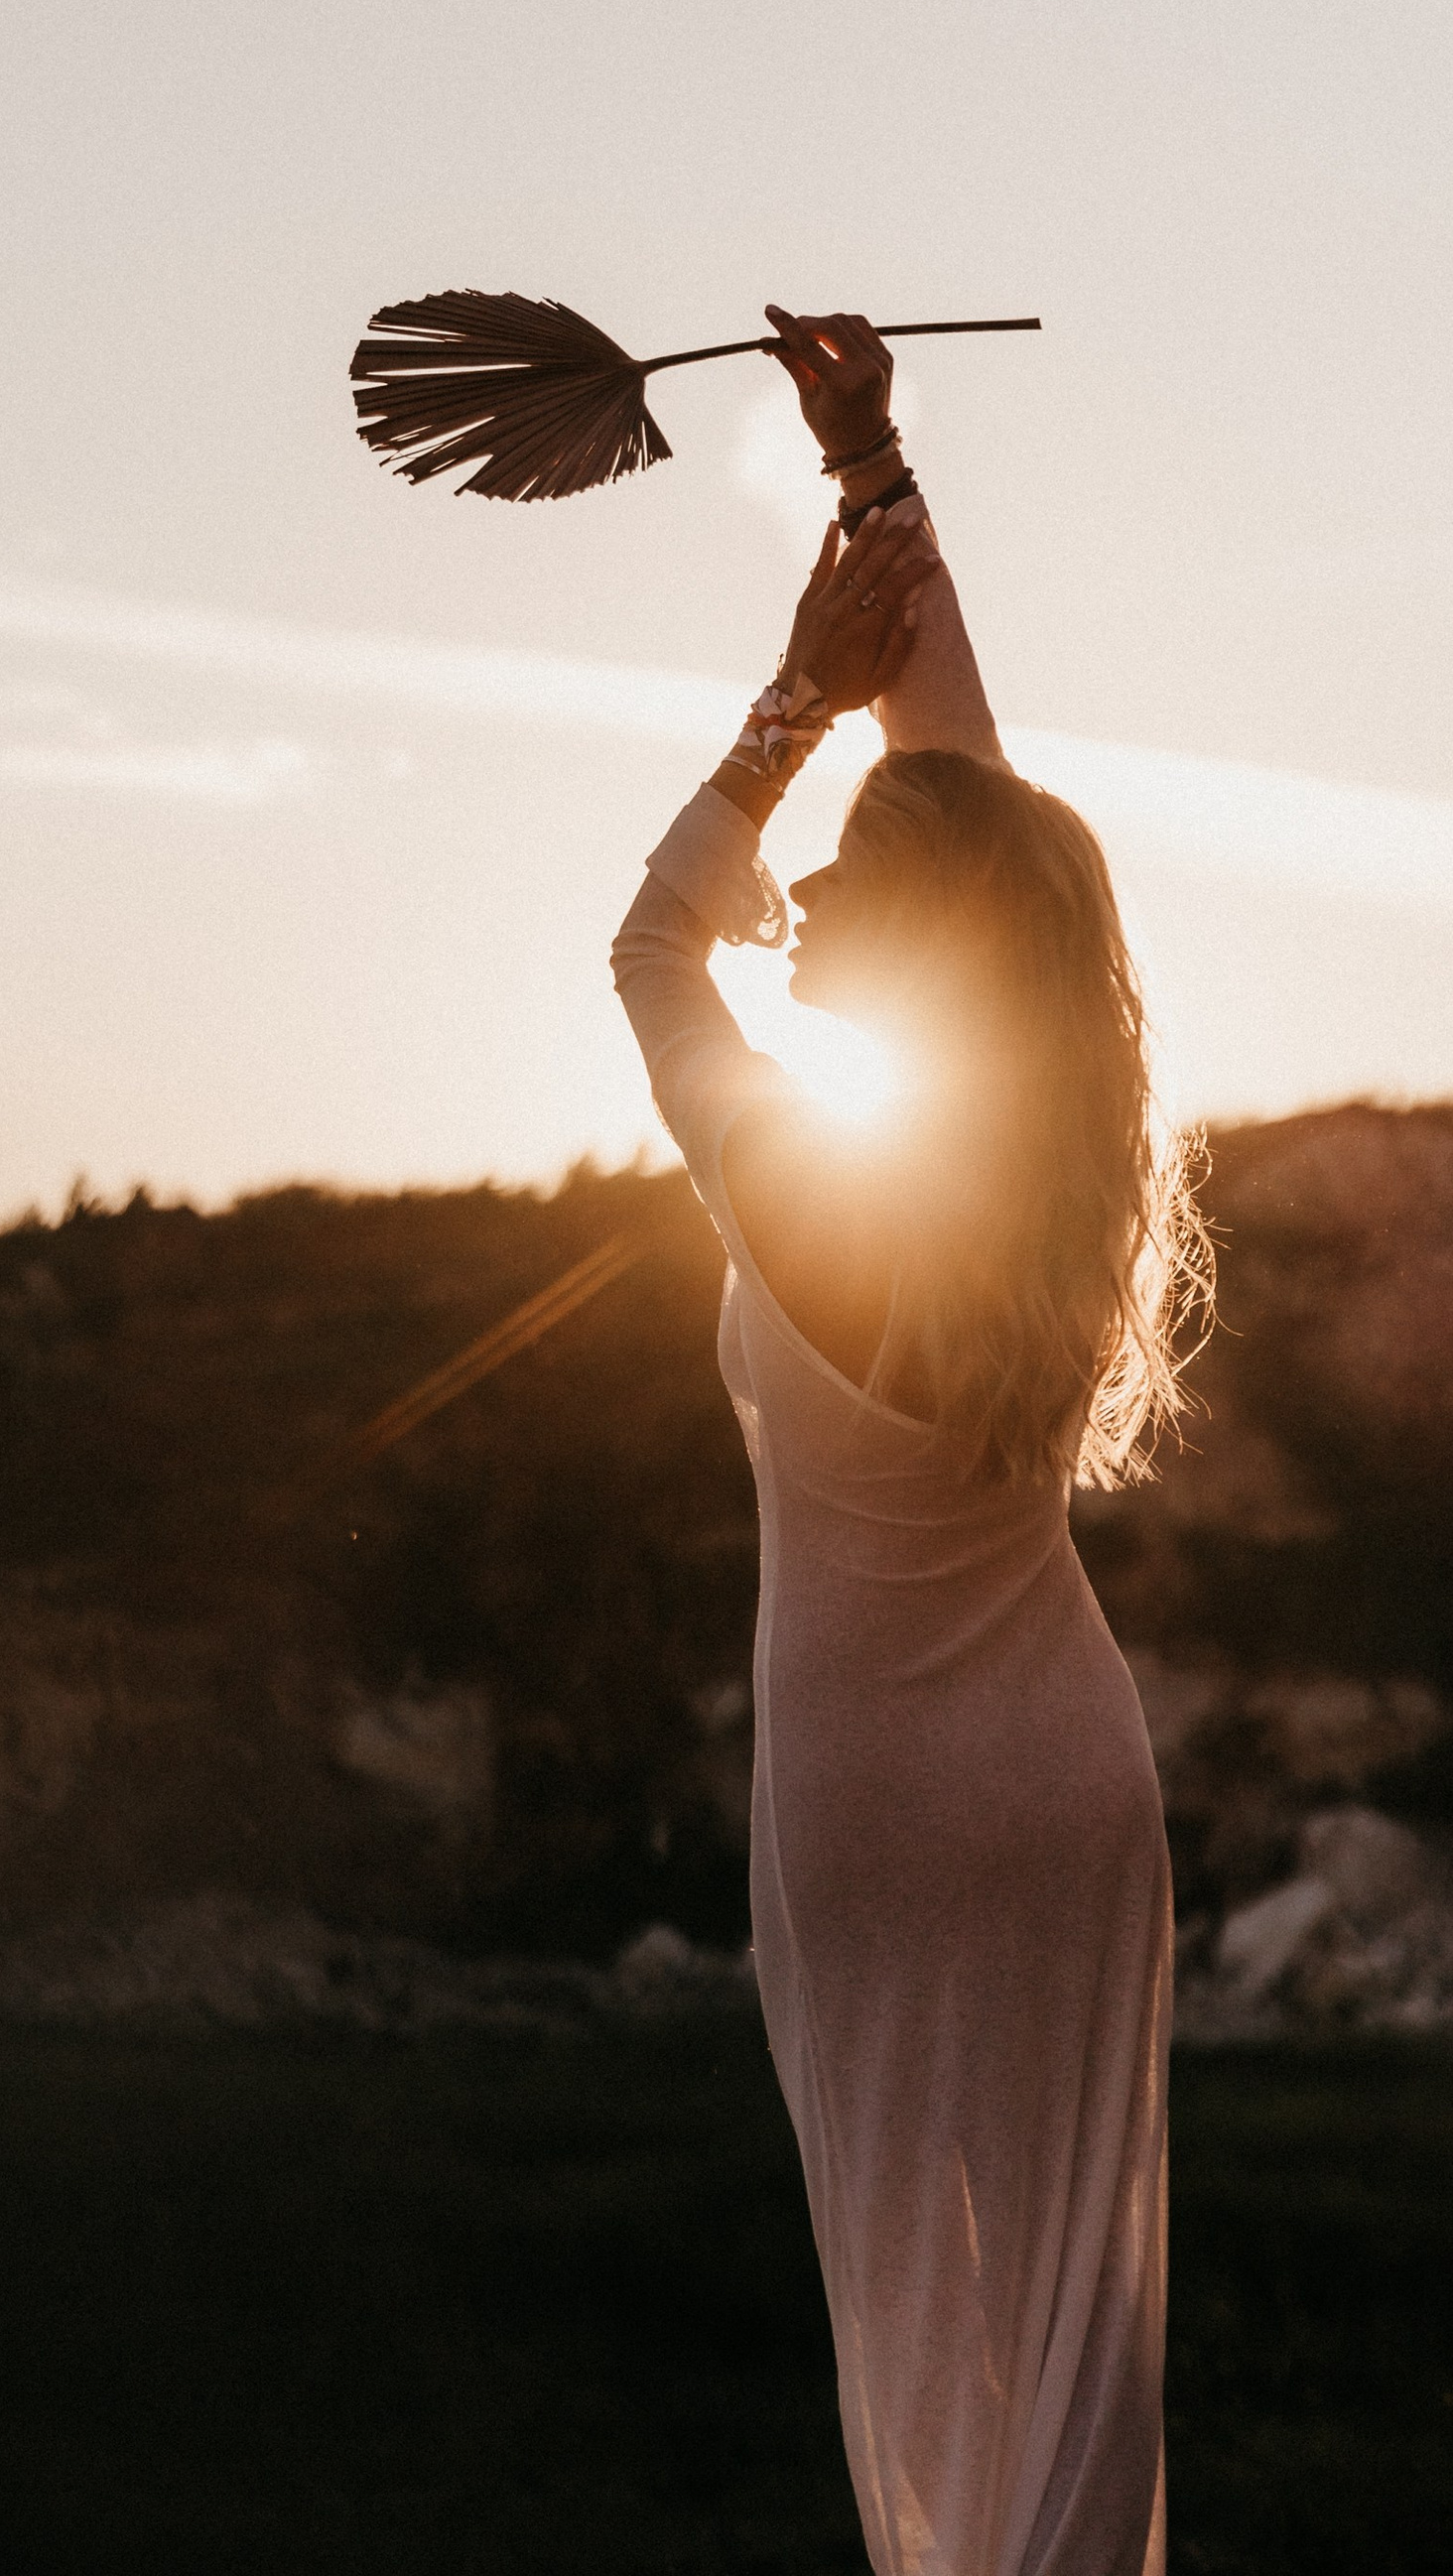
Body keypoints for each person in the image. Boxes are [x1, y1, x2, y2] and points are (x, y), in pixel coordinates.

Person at [611, 306, 1206, 2576]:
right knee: (1075, 2340)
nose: (817, 891)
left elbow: (649, 953)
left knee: (926, 2321)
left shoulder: (827, 1184)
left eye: (857, 875)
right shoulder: (1032, 1151)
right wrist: (868, 463)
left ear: (923, 947)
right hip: (1062, 1778)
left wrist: (783, 700)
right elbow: (956, 774)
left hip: (870, 1806)